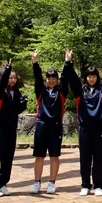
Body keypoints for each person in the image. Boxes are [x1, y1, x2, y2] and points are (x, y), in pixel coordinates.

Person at [63, 46, 102, 196]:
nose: (91, 78)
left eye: (94, 76)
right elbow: (72, 79)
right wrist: (68, 62)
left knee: (99, 158)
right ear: (86, 77)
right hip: (85, 128)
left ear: (97, 78)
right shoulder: (81, 92)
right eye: (89, 76)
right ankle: (85, 185)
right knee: (85, 157)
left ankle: (98, 185)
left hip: (99, 128)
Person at [0, 60, 27, 196]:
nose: (13, 80)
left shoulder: (17, 93)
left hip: (11, 130)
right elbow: (1, 84)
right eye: (10, 77)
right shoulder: (1, 92)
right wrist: (7, 70)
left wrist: (23, 104)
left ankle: (2, 184)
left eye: (14, 78)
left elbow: (16, 111)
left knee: (7, 158)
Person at [30, 50, 69, 195]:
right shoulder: (41, 90)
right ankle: (37, 182)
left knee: (54, 155)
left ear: (57, 80)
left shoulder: (61, 92)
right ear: (46, 79)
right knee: (39, 155)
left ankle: (52, 182)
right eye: (49, 78)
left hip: (56, 126)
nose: (51, 80)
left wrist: (67, 62)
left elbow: (65, 78)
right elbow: (37, 77)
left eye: (54, 78)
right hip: (41, 124)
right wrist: (35, 62)